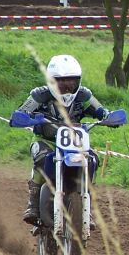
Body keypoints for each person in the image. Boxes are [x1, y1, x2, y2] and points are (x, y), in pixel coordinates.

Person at [16, 55, 110, 224]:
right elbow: (21, 111)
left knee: (92, 160)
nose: (67, 87)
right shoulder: (39, 95)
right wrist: (22, 117)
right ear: (52, 81)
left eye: (72, 82)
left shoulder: (83, 95)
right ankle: (33, 203)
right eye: (62, 83)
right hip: (46, 140)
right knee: (41, 158)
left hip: (75, 144)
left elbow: (101, 111)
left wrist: (110, 117)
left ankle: (86, 207)